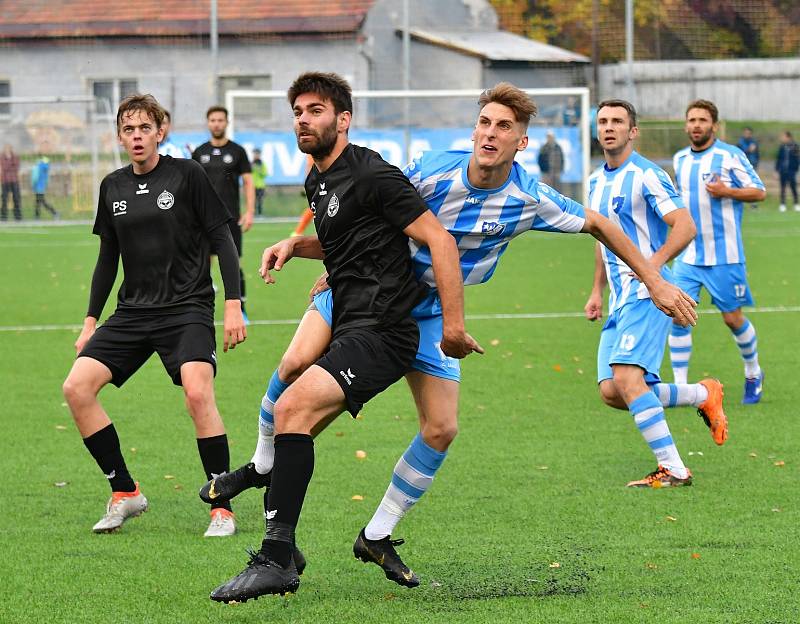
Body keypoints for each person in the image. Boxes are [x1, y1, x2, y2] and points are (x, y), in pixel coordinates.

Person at [204, 82, 698, 597]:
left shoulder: (528, 198)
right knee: (292, 372)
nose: (490, 133)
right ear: (473, 131)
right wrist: (319, 255)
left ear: (522, 142)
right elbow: (368, 213)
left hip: (430, 314)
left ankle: (374, 534)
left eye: (504, 127)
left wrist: (656, 280)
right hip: (367, 291)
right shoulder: (432, 168)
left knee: (440, 428)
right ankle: (265, 477)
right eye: (485, 123)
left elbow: (600, 223)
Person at [209, 71, 482, 603]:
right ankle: (282, 540)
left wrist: (452, 326)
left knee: (292, 410)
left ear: (343, 118)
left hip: (384, 331)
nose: (303, 120)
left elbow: (439, 239)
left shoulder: (374, 173)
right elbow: (348, 241)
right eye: (298, 112)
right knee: (294, 412)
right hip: (350, 323)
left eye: (315, 110)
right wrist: (296, 246)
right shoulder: (318, 179)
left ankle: (277, 556)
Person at [61, 94, 247, 538]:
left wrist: (233, 304)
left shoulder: (188, 175)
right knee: (77, 387)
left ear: (161, 131)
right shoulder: (113, 186)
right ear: (120, 136)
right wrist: (91, 320)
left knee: (198, 394)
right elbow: (109, 258)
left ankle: (221, 504)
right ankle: (125, 492)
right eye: (129, 129)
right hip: (132, 312)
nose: (137, 136)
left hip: (186, 308)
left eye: (145, 128)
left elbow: (222, 240)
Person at [584, 99, 727, 489]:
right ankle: (703, 393)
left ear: (633, 132)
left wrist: (652, 268)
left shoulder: (647, 175)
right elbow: (602, 237)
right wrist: (596, 289)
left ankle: (674, 469)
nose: (609, 127)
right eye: (603, 121)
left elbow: (685, 225)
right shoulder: (595, 181)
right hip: (618, 298)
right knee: (613, 392)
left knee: (628, 379)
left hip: (648, 293)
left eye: (617, 121)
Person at [669, 100, 766, 404]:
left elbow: (759, 191)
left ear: (714, 125)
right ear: (686, 125)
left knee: (732, 319)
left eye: (702, 120)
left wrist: (728, 192)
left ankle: (753, 372)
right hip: (688, 257)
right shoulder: (680, 159)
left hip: (725, 256)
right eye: (692, 120)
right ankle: (681, 387)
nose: (696, 125)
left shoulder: (730, 155)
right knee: (678, 315)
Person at [192, 106, 254, 316]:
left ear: (227, 122)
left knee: (233, 262)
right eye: (213, 120)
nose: (216, 123)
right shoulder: (199, 152)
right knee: (201, 266)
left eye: (220, 120)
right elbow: (190, 185)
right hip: (202, 219)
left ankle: (241, 309)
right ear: (208, 123)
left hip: (230, 218)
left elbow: (248, 181)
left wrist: (250, 211)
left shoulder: (237, 151)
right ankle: (200, 310)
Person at [775, 131, 799, 213]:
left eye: (784, 137)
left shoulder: (795, 146)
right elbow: (779, 159)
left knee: (793, 187)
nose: (782, 138)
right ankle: (782, 204)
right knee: (783, 188)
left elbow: (798, 159)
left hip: (792, 170)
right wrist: (776, 170)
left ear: (789, 137)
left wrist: (796, 169)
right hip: (783, 171)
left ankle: (796, 204)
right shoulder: (782, 146)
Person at [31, 155, 59, 219]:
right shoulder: (46, 168)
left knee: (42, 202)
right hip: (42, 187)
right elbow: (46, 179)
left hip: (38, 187)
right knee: (38, 202)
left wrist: (33, 185)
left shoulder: (38, 167)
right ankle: (37, 216)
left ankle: (54, 212)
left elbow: (35, 178)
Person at [1, 144, 22, 221]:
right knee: (4, 199)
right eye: (6, 148)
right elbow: (4, 166)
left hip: (14, 180)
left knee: (16, 198)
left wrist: (9, 166)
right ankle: (3, 217)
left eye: (9, 148)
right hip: (5, 180)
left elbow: (16, 167)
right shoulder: (2, 157)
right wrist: (11, 165)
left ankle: (18, 216)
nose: (7, 150)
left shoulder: (15, 157)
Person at [251, 148, 269, 216]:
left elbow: (265, 174)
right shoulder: (251, 163)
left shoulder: (262, 164)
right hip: (252, 186)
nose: (256, 155)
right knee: (253, 201)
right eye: (255, 154)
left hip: (260, 186)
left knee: (260, 200)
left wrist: (258, 170)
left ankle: (260, 214)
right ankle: (253, 214)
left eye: (257, 154)